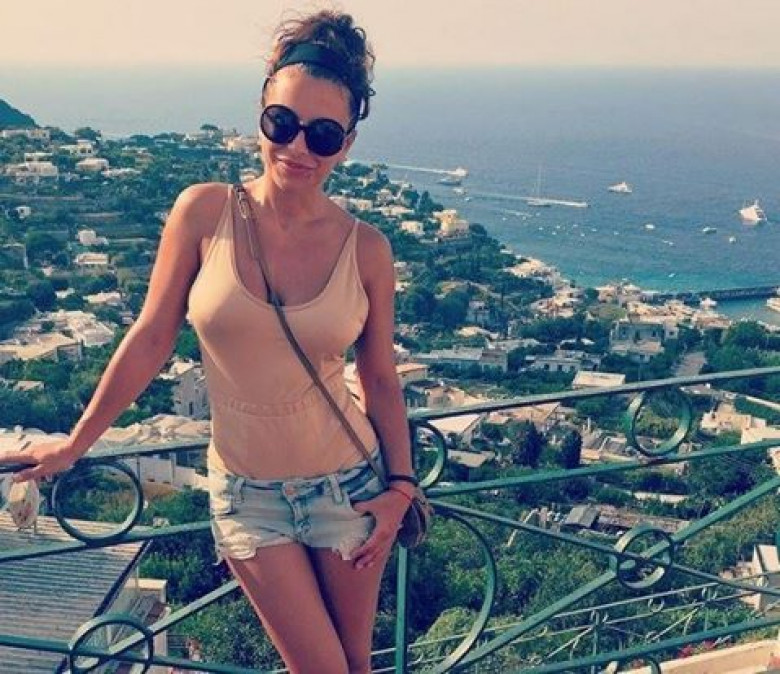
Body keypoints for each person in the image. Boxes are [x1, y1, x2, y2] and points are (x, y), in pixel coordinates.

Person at [0, 9, 415, 674]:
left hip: (349, 486)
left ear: (348, 143)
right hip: (249, 497)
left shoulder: (366, 249)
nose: (298, 148)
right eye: (281, 123)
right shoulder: (204, 212)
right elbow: (150, 337)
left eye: (323, 134)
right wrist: (76, 444)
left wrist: (400, 489)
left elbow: (382, 379)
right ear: (260, 113)